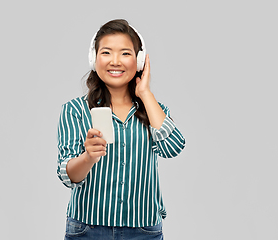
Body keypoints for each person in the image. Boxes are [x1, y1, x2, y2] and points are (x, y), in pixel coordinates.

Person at [57, 19, 185, 240]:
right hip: (88, 229)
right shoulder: (74, 110)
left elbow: (173, 148)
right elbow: (68, 176)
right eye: (106, 52)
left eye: (125, 54)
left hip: (143, 229)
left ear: (139, 60)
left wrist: (145, 93)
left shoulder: (154, 109)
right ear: (94, 59)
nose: (115, 61)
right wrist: (88, 157)